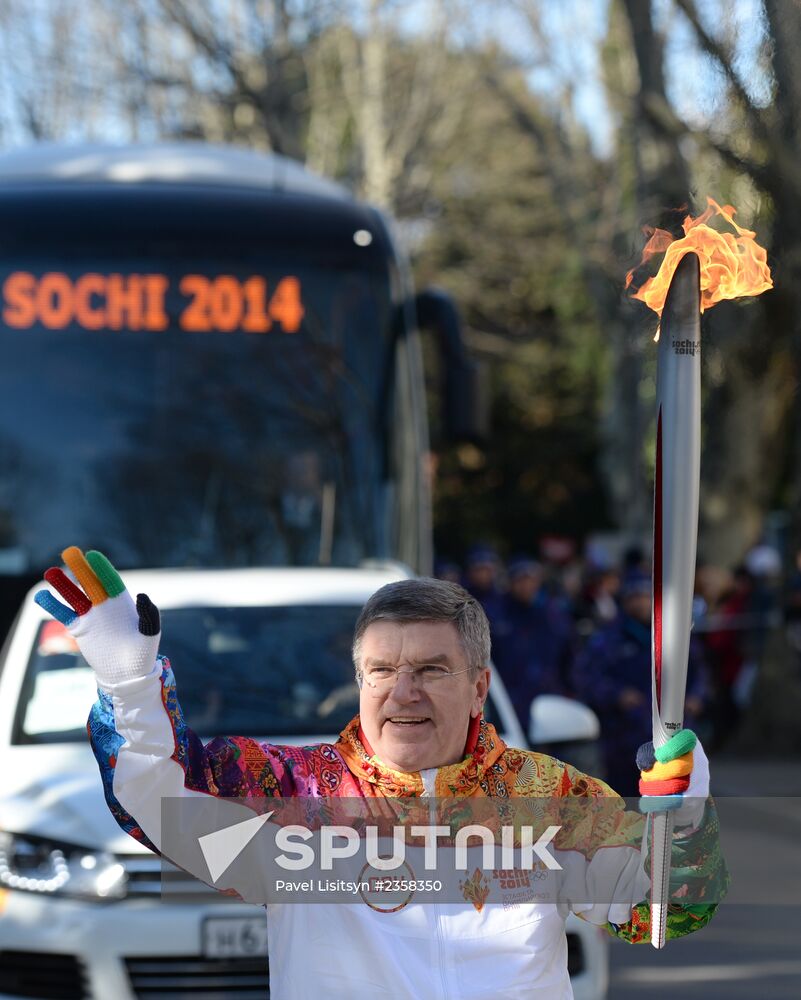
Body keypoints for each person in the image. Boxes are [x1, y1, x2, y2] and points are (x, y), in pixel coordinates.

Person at [35, 547, 727, 999]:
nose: (403, 693)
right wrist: (129, 683)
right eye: (381, 671)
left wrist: (683, 819)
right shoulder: (294, 796)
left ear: (478, 687)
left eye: (430, 669)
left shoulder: (547, 797)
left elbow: (664, 912)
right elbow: (160, 798)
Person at [573, 568, 708, 795]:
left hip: (672, 737)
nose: (641, 602)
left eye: (646, 596)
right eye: (634, 596)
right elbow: (588, 678)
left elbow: (699, 672)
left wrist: (696, 697)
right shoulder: (608, 638)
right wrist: (617, 695)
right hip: (623, 739)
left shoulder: (674, 633)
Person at [492, 556, 576, 728]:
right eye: (520, 580)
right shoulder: (496, 614)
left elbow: (570, 656)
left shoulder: (553, 614)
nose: (526, 586)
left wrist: (570, 692)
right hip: (508, 703)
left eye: (530, 580)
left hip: (549, 701)